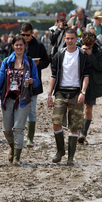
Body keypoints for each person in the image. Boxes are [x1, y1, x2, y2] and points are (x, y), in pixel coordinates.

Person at [47, 28, 91, 165]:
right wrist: (49, 94)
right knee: (56, 122)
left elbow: (86, 76)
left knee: (74, 126)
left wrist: (83, 92)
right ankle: (60, 150)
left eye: (72, 38)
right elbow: (53, 76)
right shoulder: (59, 55)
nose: (70, 41)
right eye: (68, 38)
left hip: (76, 93)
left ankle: (71, 157)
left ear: (76, 39)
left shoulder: (83, 55)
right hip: (60, 93)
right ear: (64, 39)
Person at [7, 23, 50, 148]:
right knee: (15, 108)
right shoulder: (16, 43)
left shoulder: (39, 45)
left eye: (27, 35)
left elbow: (46, 61)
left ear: (32, 33)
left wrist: (37, 64)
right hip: (17, 83)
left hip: (33, 83)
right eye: (23, 35)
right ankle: (17, 135)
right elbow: (9, 59)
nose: (25, 37)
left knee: (31, 111)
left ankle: (30, 138)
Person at [0, 36, 40, 164]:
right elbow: (0, 79)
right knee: (7, 130)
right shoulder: (6, 62)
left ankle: (17, 157)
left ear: (25, 46)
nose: (19, 47)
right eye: (16, 45)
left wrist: (32, 81)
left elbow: (37, 81)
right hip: (8, 100)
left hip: (23, 100)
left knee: (18, 128)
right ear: (13, 46)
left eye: (21, 45)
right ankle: (12, 147)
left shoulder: (30, 62)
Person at [78, 31, 102, 145]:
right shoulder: (77, 47)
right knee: (78, 107)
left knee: (88, 108)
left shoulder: (99, 50)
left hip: (92, 82)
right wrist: (81, 52)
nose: (88, 47)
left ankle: (83, 134)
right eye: (86, 45)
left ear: (95, 42)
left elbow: (100, 66)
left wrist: (91, 55)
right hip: (79, 81)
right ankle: (79, 132)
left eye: (90, 46)